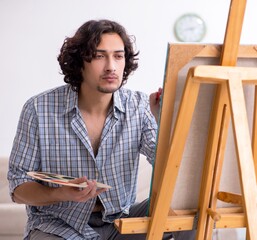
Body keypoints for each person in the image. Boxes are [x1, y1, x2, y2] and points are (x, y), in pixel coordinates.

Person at [8, 19, 195, 240]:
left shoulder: (139, 106)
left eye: (118, 56)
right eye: (99, 56)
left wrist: (162, 121)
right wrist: (59, 193)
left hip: (122, 221)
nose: (111, 66)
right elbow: (18, 187)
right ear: (79, 62)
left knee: (193, 214)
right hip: (59, 226)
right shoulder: (38, 109)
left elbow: (170, 169)